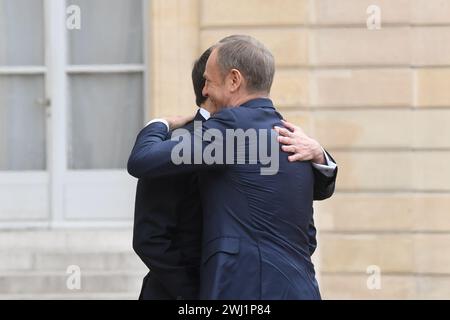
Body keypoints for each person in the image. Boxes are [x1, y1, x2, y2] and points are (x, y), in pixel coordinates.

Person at [130, 36, 337, 299]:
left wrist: (160, 123)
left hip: (239, 289)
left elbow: (142, 159)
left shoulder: (228, 129)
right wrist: (321, 156)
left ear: (234, 80)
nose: (205, 90)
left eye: (209, 80)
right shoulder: (294, 139)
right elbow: (307, 236)